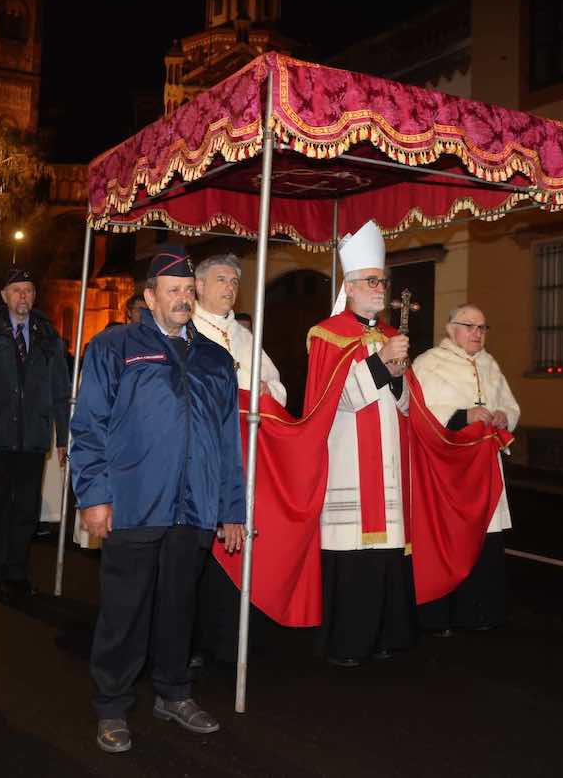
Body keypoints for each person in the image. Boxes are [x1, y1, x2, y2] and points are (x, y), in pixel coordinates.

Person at [70, 250, 247, 754]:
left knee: (178, 607)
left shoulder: (215, 357)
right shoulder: (114, 347)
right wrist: (95, 496)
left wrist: (231, 508)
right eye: (172, 289)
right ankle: (111, 704)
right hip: (134, 503)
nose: (183, 298)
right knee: (125, 610)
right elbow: (88, 427)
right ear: (149, 297)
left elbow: (228, 440)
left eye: (188, 289)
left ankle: (173, 692)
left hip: (194, 507)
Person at [307, 220, 416, 667]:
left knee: (388, 551)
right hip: (349, 458)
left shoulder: (392, 335)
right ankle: (349, 643)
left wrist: (397, 373)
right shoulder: (325, 334)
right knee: (353, 554)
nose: (381, 288)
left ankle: (386, 637)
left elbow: (408, 403)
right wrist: (380, 366)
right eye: (372, 281)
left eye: (383, 281)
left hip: (387, 457)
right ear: (349, 287)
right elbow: (333, 399)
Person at [190, 253, 286, 667]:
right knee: (197, 552)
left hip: (242, 459)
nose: (229, 287)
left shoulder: (246, 336)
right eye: (220, 279)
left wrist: (265, 390)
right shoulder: (188, 329)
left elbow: (277, 387)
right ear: (199, 286)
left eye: (234, 281)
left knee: (231, 547)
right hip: (198, 458)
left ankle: (226, 639)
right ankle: (191, 642)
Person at [412, 303, 519, 635]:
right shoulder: (429, 363)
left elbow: (509, 404)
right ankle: (440, 615)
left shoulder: (489, 364)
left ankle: (479, 613)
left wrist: (502, 415)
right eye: (469, 326)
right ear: (450, 330)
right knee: (449, 539)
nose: (477, 333)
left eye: (482, 328)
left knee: (485, 538)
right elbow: (420, 413)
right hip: (448, 472)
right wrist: (463, 416)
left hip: (484, 468)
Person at [0, 268, 69, 600]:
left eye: (28, 290)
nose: (22, 296)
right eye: (16, 290)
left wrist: (63, 436)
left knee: (25, 511)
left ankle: (17, 572)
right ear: (4, 296)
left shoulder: (48, 336)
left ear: (34, 296)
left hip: (33, 438)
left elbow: (60, 390)